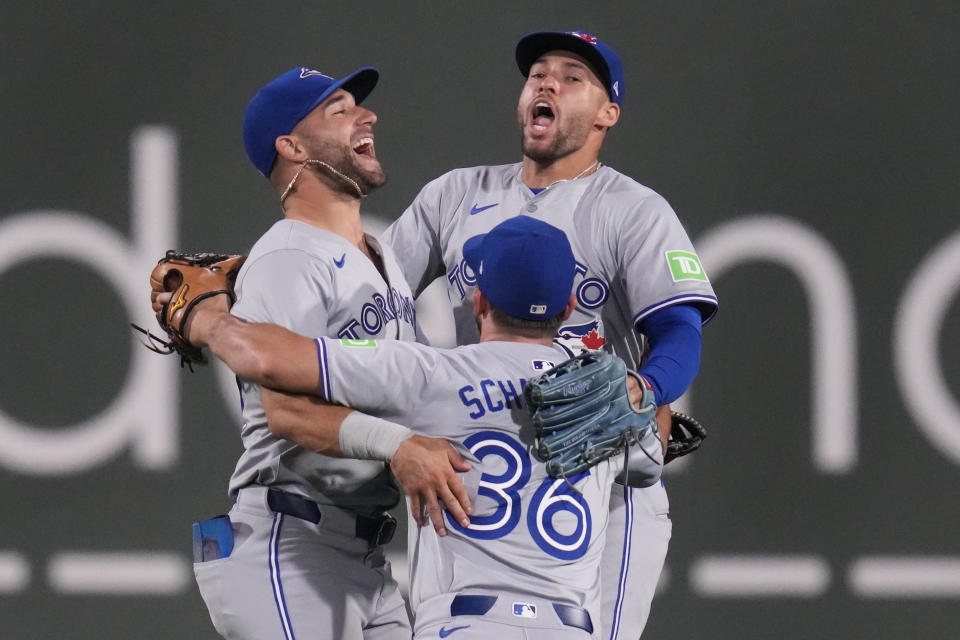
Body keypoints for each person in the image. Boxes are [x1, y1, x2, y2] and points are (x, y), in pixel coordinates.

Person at [173, 216, 665, 640]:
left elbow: (275, 363)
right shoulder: (607, 396)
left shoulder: (431, 375)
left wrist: (213, 318)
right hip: (570, 628)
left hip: (464, 625)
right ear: (568, 306)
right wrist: (640, 387)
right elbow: (654, 451)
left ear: (479, 300)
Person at [381, 30, 718, 639]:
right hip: (475, 467)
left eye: (572, 77)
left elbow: (679, 331)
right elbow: (368, 292)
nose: (547, 82)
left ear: (606, 113)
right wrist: (273, 276)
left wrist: (642, 392)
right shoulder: (456, 195)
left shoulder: (633, 210)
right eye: (539, 72)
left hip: (599, 472)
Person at [190, 65, 472, 640]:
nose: (366, 116)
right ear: (292, 147)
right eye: (338, 110)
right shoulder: (288, 257)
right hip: (289, 548)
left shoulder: (381, 256)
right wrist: (399, 447)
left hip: (361, 555)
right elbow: (286, 413)